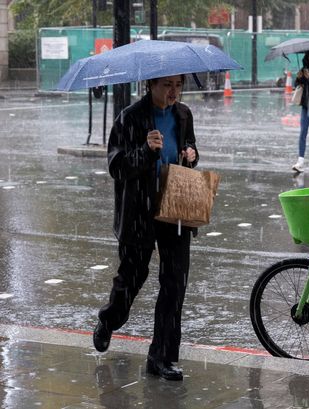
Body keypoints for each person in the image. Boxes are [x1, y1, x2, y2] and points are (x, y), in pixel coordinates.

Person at [93, 74, 199, 381]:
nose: (173, 92)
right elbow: (116, 166)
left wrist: (190, 154)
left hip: (175, 206)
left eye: (178, 86)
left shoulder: (183, 114)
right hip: (139, 210)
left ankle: (162, 357)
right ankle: (109, 320)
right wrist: (146, 150)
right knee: (132, 277)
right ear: (150, 85)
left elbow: (189, 148)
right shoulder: (130, 118)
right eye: (167, 85)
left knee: (174, 284)